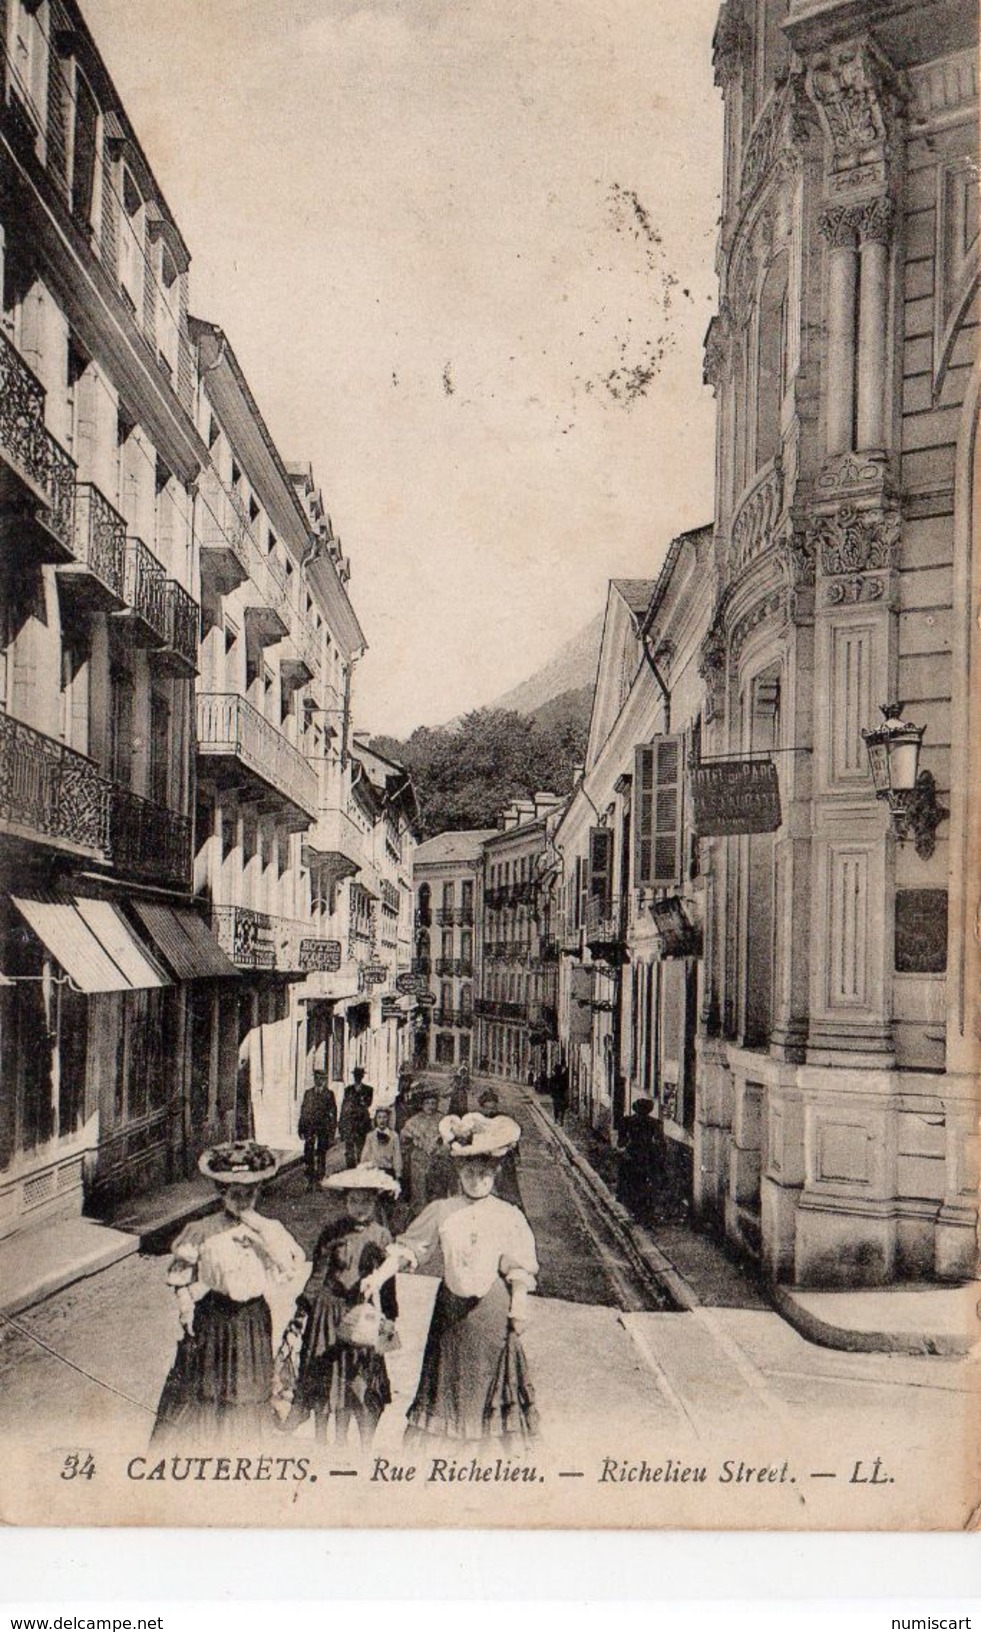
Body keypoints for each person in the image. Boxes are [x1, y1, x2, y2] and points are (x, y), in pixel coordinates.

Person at [361, 1113, 539, 1449]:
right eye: (469, 1171)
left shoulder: (507, 1215)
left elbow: (518, 1267)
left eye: (484, 1172)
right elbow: (409, 1249)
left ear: (496, 1172)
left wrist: (519, 1305)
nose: (477, 1179)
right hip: (451, 1315)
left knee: (488, 1389)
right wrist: (380, 1275)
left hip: (491, 1316)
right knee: (449, 1388)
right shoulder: (443, 1210)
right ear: (458, 1171)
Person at [152, 1142, 307, 1446]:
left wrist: (260, 1236)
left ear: (259, 1191)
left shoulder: (270, 1228)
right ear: (221, 1191)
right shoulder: (202, 1229)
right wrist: (185, 1307)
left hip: (252, 1320)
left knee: (248, 1391)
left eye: (249, 1192)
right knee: (209, 1390)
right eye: (234, 1192)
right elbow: (180, 1274)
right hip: (213, 1316)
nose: (242, 1199)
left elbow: (290, 1266)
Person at [282, 1165, 400, 1448]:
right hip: (328, 1314)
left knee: (358, 1380)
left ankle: (360, 1448)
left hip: (361, 1315)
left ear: (375, 1202)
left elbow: (388, 1281)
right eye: (353, 1200)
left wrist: (390, 1317)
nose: (359, 1207)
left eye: (366, 1201)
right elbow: (318, 1275)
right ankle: (324, 1443)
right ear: (345, 1201)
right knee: (324, 1379)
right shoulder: (332, 1232)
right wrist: (303, 1311)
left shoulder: (382, 1236)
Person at [476, 1087, 523, 1209]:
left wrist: (514, 1150)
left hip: (503, 1161)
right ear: (481, 1107)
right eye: (487, 1108)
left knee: (507, 1192)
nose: (490, 1111)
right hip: (483, 1161)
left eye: (493, 1108)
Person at [400, 1086, 443, 1210]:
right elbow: (403, 1136)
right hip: (419, 1161)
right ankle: (419, 1215)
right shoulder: (415, 1120)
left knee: (436, 1190)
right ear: (422, 1104)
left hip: (437, 1160)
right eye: (427, 1103)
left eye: (433, 1103)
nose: (430, 1106)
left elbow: (449, 1138)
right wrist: (412, 1136)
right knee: (419, 1191)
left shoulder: (442, 1119)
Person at [616, 1098, 659, 1218]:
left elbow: (621, 1142)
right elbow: (659, 1141)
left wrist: (623, 1149)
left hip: (632, 1154)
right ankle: (642, 1210)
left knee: (631, 1181)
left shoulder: (627, 1121)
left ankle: (633, 1209)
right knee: (644, 1182)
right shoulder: (654, 1123)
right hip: (647, 1155)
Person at [298, 1071, 337, 1187]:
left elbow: (333, 1113)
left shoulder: (329, 1094)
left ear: (325, 1080)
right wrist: (301, 1128)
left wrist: (332, 1130)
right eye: (316, 1078)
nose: (318, 1080)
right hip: (310, 1126)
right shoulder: (308, 1093)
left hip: (323, 1127)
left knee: (321, 1153)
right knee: (308, 1151)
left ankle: (320, 1178)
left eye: (321, 1078)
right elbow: (303, 1111)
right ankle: (310, 1178)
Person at [338, 1066, 373, 1167]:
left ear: (362, 1076)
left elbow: (368, 1103)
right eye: (356, 1075)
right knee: (349, 1148)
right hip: (350, 1122)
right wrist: (342, 1122)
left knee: (361, 1147)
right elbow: (344, 1106)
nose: (358, 1077)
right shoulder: (348, 1090)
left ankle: (361, 1168)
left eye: (360, 1075)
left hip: (362, 1122)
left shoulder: (368, 1090)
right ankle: (351, 1168)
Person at [549, 1059, 570, 1128]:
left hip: (557, 1095)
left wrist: (552, 1092)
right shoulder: (563, 1077)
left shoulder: (554, 1078)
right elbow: (566, 1086)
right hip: (561, 1095)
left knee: (556, 1107)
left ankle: (556, 1119)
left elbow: (550, 1086)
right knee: (561, 1108)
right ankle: (560, 1120)